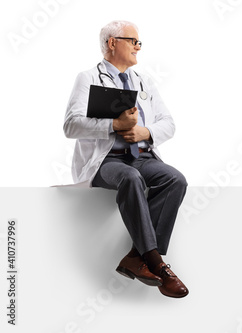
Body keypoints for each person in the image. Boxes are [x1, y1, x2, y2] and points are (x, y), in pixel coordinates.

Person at [64, 20, 188, 298]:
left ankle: (136, 257)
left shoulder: (144, 81)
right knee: (130, 178)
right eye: (133, 41)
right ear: (112, 43)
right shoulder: (88, 78)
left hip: (142, 156)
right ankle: (158, 263)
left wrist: (146, 131)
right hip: (106, 161)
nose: (138, 48)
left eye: (138, 43)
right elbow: (71, 125)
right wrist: (114, 126)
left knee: (175, 179)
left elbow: (169, 122)